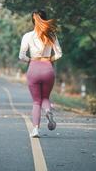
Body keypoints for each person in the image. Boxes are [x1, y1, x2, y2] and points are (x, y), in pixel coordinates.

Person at [19, 9, 62, 138]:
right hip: (47, 69)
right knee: (45, 98)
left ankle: (36, 129)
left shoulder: (28, 36)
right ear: (45, 19)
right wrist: (49, 59)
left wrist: (30, 60)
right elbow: (59, 54)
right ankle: (48, 111)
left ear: (33, 21)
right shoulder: (51, 35)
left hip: (34, 68)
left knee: (36, 101)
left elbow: (21, 56)